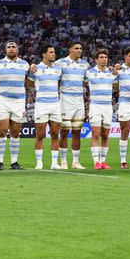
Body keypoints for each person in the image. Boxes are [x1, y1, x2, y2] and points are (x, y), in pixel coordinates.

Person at [0, 41, 30, 170]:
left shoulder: (25, 64)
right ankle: (0, 162)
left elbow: (29, 80)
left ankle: (14, 162)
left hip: (19, 102)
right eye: (9, 47)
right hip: (3, 100)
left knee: (15, 132)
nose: (11, 49)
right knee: (1, 131)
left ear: (18, 50)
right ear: (5, 50)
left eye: (13, 47)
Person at [54, 42, 90, 170]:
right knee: (64, 131)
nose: (79, 50)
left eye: (80, 48)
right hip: (65, 100)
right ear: (70, 49)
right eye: (76, 48)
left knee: (77, 131)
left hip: (79, 100)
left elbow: (88, 81)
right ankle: (63, 161)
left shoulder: (85, 65)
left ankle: (75, 162)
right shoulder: (60, 63)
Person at [29, 44, 63, 170]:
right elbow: (28, 83)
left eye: (54, 52)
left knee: (55, 133)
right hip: (41, 104)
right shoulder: (36, 68)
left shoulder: (58, 69)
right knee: (40, 134)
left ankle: (54, 163)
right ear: (44, 54)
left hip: (55, 104)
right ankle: (39, 163)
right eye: (51, 52)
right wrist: (30, 67)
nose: (53, 54)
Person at [85, 49, 115, 169]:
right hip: (95, 106)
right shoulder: (89, 72)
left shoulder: (112, 73)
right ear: (96, 59)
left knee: (106, 135)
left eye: (105, 57)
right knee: (96, 134)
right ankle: (96, 162)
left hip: (108, 106)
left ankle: (103, 161)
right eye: (101, 57)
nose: (104, 59)